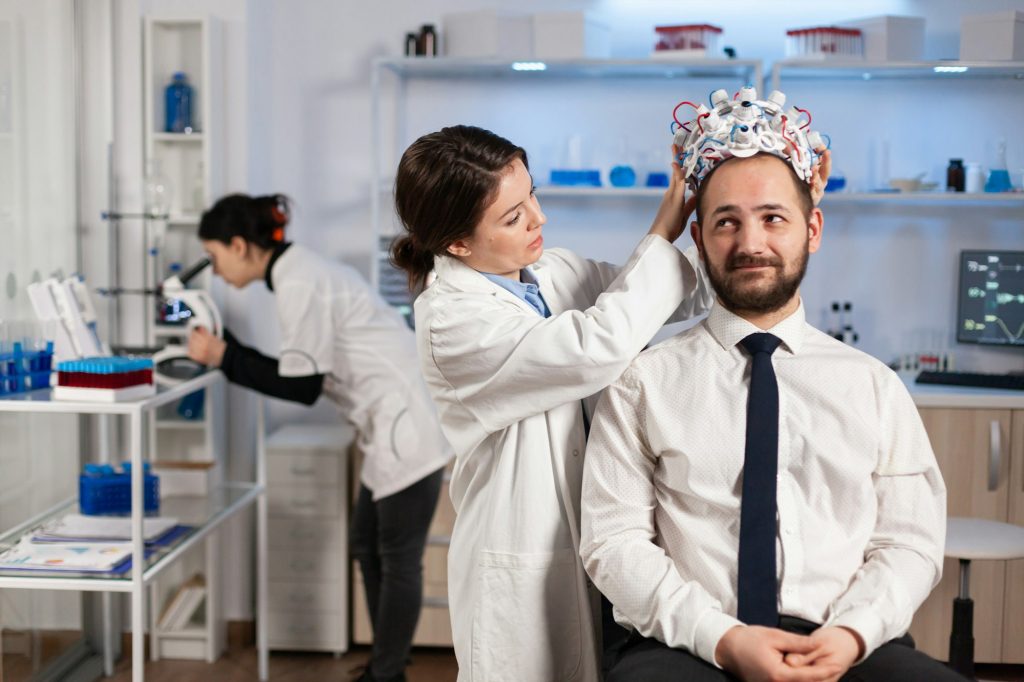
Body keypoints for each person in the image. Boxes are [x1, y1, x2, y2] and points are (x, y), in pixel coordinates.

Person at [390, 125, 830, 681]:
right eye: (512, 216)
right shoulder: (451, 321)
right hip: (527, 555)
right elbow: (599, 345)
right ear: (456, 243)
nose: (537, 218)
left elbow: (671, 294)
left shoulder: (553, 272)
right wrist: (666, 224)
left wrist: (741, 218)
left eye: (532, 196)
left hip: (607, 543)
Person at [579, 152, 962, 682]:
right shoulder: (642, 382)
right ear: (699, 236)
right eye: (727, 221)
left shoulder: (873, 385)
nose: (750, 243)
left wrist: (852, 634)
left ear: (813, 228)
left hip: (842, 638)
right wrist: (724, 638)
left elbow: (909, 542)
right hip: (689, 644)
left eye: (773, 218)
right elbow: (612, 543)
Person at [186, 193, 451, 682]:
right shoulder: (296, 272)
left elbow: (300, 386)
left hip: (406, 427)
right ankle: (385, 664)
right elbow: (296, 369)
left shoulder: (299, 281)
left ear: (240, 246)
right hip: (387, 425)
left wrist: (224, 357)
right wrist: (228, 352)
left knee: (396, 558)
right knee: (366, 547)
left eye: (215, 256)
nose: (217, 272)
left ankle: (388, 672)